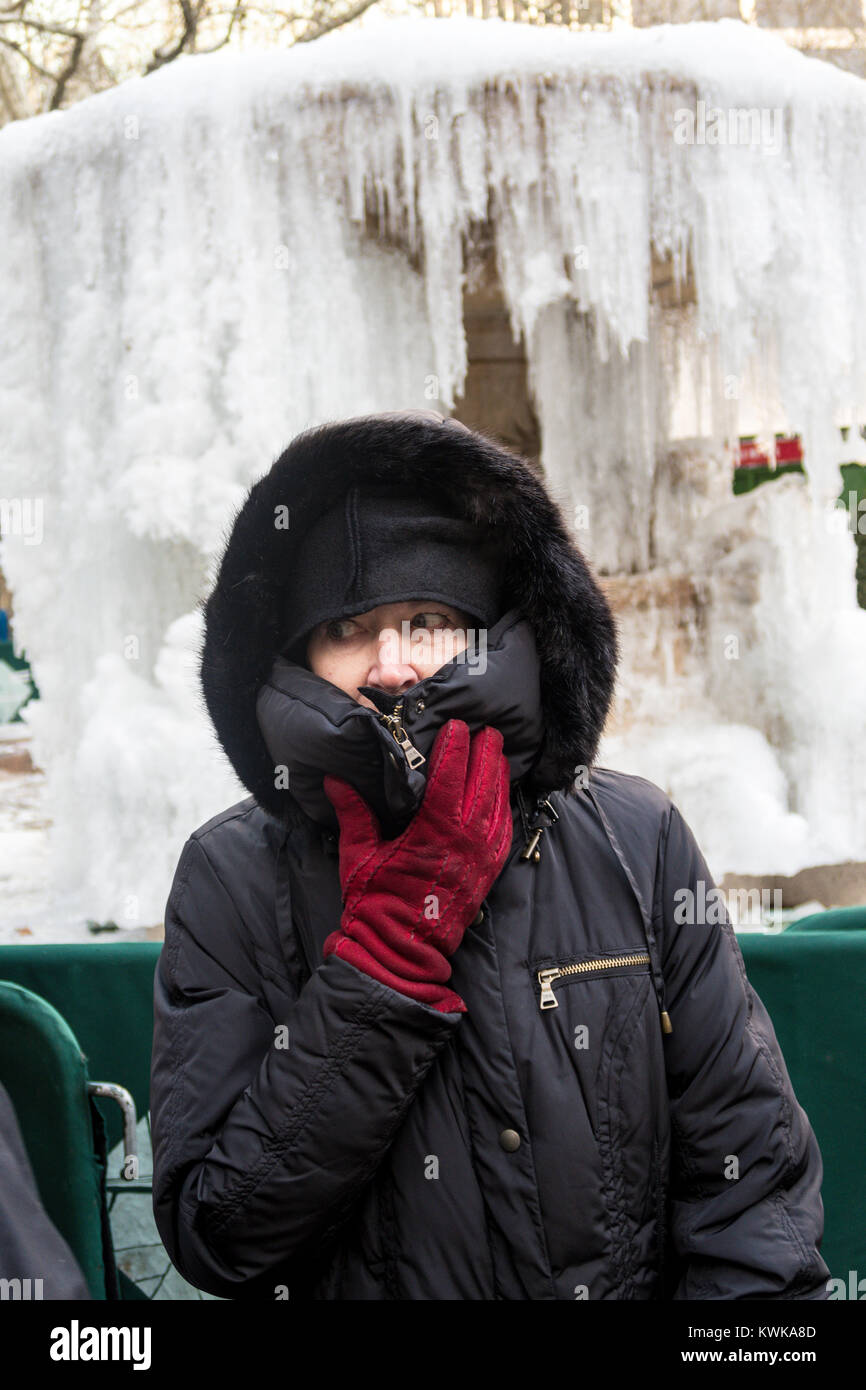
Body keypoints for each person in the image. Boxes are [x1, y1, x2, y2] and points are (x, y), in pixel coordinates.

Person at [150, 409, 830, 1301]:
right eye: (350, 627)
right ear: (299, 655)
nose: (391, 665)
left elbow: (751, 1191)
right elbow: (220, 1236)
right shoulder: (228, 878)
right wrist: (385, 962)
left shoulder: (638, 839)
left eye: (428, 619)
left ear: (497, 635)